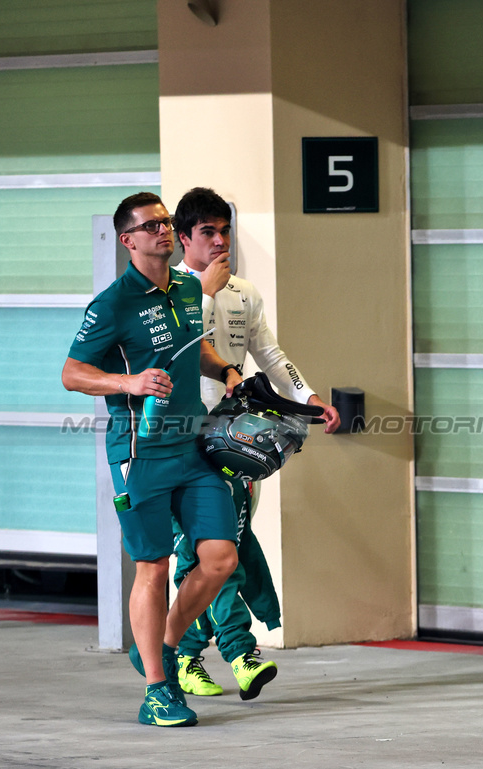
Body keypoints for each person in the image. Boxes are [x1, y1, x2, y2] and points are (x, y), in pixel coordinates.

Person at [62, 192, 245, 727]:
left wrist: (226, 371)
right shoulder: (111, 304)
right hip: (139, 452)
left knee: (219, 559)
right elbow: (73, 373)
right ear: (129, 239)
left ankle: (162, 644)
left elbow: (197, 348)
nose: (165, 230)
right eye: (153, 225)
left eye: (167, 222)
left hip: (192, 447)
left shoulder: (188, 286)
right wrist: (128, 381)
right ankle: (157, 690)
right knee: (153, 566)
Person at [166, 186, 339, 700]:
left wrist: (308, 399)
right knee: (208, 550)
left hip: (239, 436)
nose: (220, 242)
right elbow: (175, 354)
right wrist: (203, 291)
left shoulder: (245, 293)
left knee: (224, 547)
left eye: (225, 232)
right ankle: (240, 653)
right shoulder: (170, 294)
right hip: (182, 438)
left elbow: (269, 353)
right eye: (208, 233)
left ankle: (184, 657)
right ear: (183, 239)